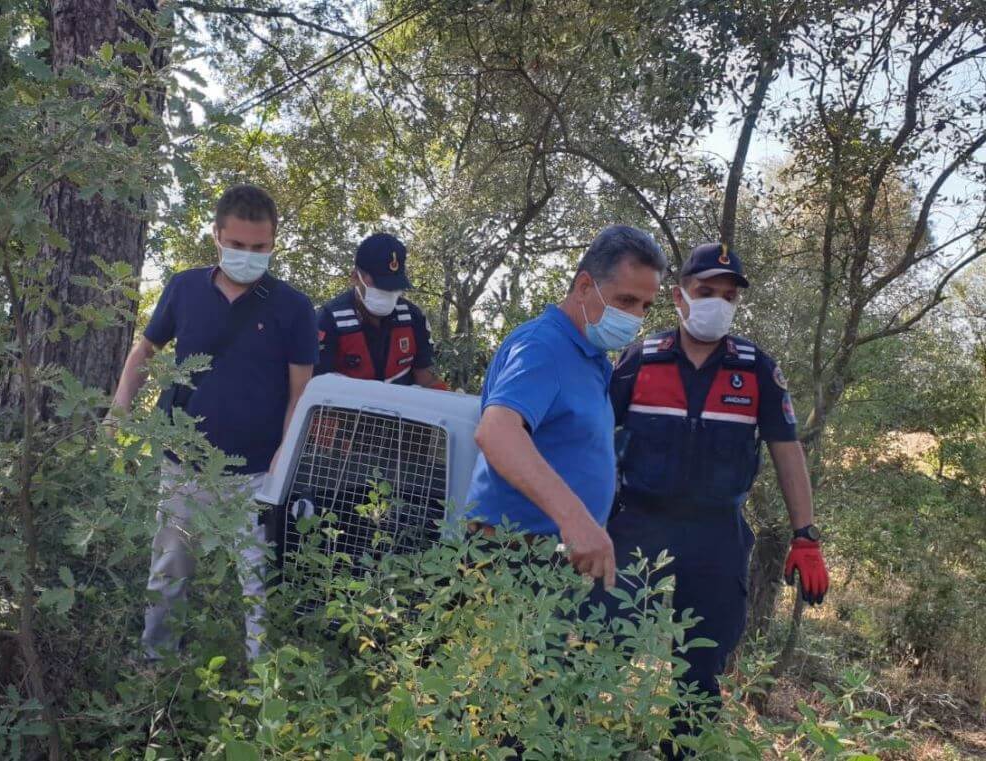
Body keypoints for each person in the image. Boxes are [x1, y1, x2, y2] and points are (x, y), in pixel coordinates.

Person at [598, 242, 829, 738]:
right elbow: (593, 440)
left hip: (716, 533)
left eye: (728, 296)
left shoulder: (756, 369)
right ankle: (595, 742)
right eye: (706, 291)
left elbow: (787, 450)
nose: (717, 304)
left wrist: (805, 536)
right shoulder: (640, 359)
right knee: (605, 642)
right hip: (638, 522)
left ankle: (685, 749)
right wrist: (579, 516)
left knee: (702, 668)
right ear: (680, 296)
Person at [110, 184, 318, 661]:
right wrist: (118, 410)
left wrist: (282, 465)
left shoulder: (293, 307)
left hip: (257, 473)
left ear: (273, 243)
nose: (248, 255)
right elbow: (145, 351)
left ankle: (262, 683)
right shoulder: (184, 288)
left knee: (259, 584)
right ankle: (156, 667)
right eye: (239, 245)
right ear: (217, 237)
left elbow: (300, 394)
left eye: (260, 247)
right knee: (169, 569)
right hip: (185, 465)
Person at [465, 225, 666, 587]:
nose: (636, 317)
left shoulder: (591, 359)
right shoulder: (544, 347)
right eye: (625, 301)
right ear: (585, 286)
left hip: (548, 562)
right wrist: (575, 519)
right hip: (508, 560)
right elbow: (496, 431)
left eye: (645, 306)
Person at [315, 233, 447, 389]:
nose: (388, 291)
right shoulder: (329, 319)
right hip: (343, 409)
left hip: (401, 407)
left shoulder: (413, 318)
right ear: (356, 278)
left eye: (393, 286)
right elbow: (314, 386)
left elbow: (426, 379)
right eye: (380, 284)